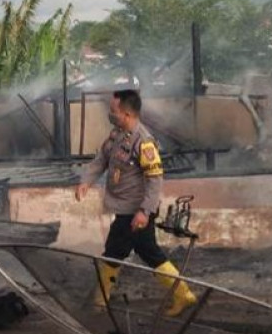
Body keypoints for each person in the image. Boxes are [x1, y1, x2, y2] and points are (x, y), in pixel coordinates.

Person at [75, 89, 197, 317]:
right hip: (125, 209)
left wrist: (144, 211)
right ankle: (183, 294)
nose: (111, 114)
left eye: (114, 111)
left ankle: (99, 302)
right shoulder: (117, 135)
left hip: (134, 212)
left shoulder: (144, 143)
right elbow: (101, 158)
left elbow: (154, 180)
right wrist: (86, 180)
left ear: (127, 114)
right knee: (147, 252)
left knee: (114, 252)